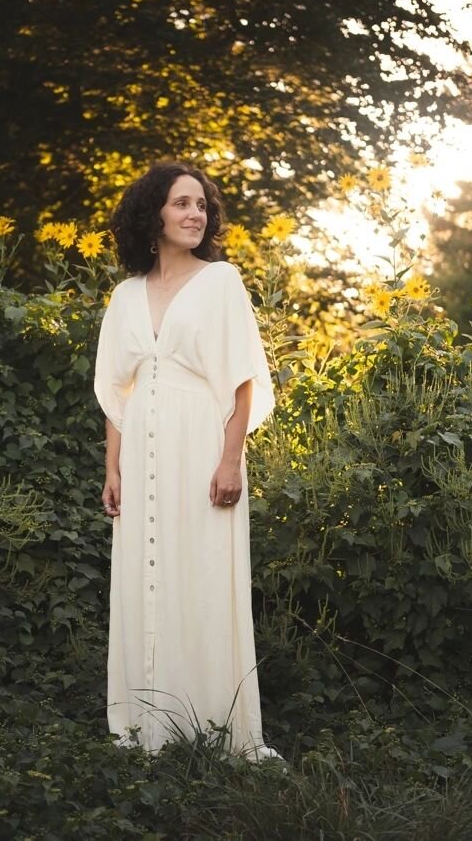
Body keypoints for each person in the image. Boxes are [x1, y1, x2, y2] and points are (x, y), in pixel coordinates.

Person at [93, 161, 280, 761]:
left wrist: (232, 461)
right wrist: (112, 469)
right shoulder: (125, 296)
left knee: (201, 579)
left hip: (202, 447)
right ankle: (148, 728)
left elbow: (243, 378)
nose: (195, 214)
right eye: (181, 204)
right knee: (145, 580)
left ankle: (213, 730)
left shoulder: (221, 282)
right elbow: (116, 392)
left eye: (201, 205)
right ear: (154, 215)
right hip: (142, 450)